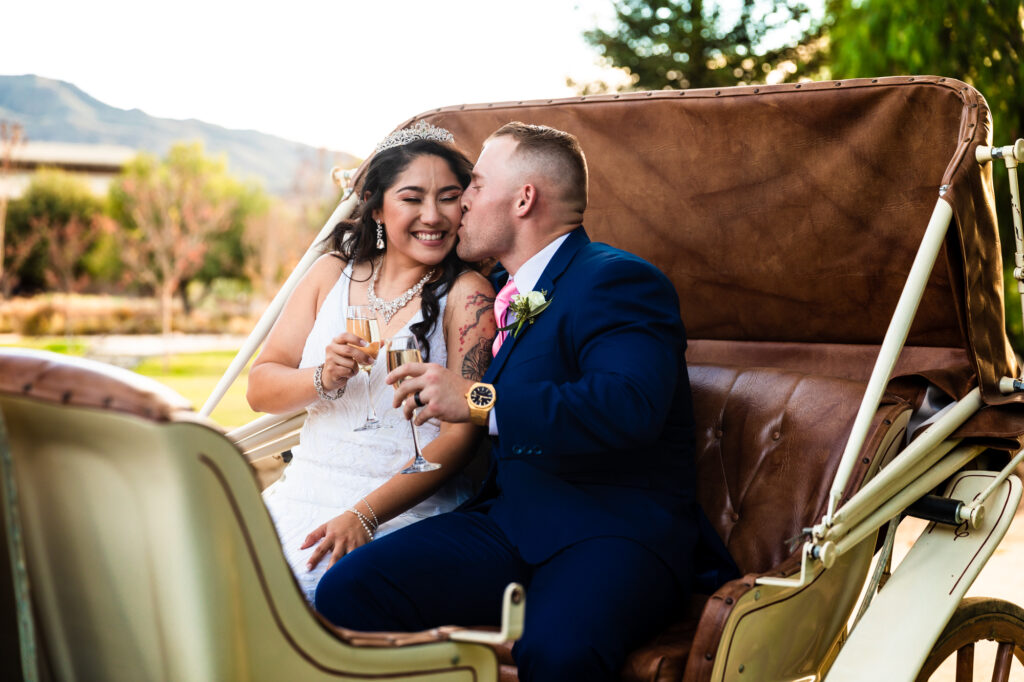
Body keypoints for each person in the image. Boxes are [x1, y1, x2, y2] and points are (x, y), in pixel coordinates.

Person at [314, 122, 698, 681]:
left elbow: (629, 404)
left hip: (610, 531)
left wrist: (475, 398)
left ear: (524, 199)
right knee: (351, 588)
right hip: (510, 524)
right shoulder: (504, 288)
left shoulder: (617, 280)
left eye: (473, 185)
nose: (459, 203)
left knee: (558, 652)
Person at [246, 122, 496, 602]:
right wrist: (322, 377)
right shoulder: (330, 273)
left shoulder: (468, 296)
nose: (433, 215)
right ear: (378, 207)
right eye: (412, 197)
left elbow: (465, 433)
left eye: (448, 197)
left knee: (301, 601)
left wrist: (364, 515)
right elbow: (259, 389)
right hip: (301, 490)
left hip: (403, 509)